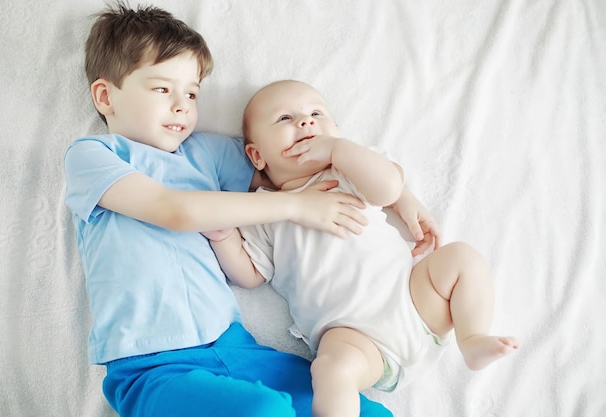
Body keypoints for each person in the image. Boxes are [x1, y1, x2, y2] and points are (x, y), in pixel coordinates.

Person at [64, 4, 401, 417]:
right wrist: (296, 206)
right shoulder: (94, 156)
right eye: (161, 89)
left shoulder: (208, 153)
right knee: (262, 410)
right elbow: (173, 210)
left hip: (235, 347)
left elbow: (298, 165)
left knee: (367, 413)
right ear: (105, 96)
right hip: (152, 365)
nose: (181, 106)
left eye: (191, 93)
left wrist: (403, 197)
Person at [205, 80, 520, 417]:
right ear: (257, 155)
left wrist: (340, 151)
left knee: (461, 258)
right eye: (285, 119)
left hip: (413, 301)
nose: (305, 122)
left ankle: (472, 339)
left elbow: (388, 188)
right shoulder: (266, 211)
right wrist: (223, 237)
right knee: (330, 371)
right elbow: (251, 274)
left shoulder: (348, 171)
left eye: (316, 113)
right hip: (353, 338)